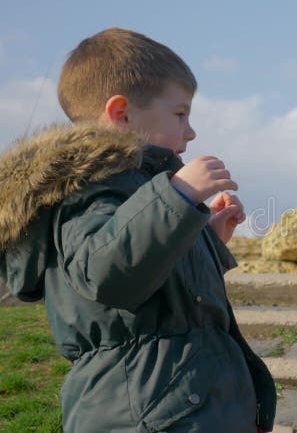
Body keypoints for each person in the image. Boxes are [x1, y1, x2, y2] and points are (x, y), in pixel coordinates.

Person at [0, 28, 276, 432]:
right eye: (180, 114)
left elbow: (152, 277)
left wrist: (207, 237)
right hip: (146, 411)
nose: (190, 131)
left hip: (186, 402)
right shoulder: (91, 186)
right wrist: (179, 195)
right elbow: (107, 274)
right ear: (122, 115)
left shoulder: (139, 186)